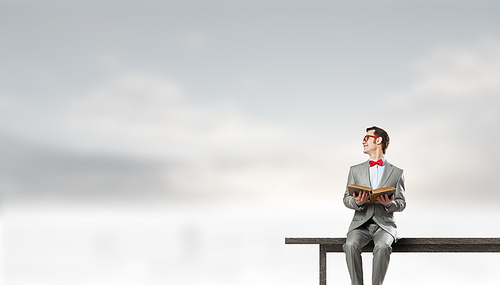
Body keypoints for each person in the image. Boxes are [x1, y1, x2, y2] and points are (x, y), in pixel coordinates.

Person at [343, 126, 406, 285]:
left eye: (367, 138)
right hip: (360, 224)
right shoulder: (355, 170)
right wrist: (357, 202)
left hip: (384, 225)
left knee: (383, 247)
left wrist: (389, 204)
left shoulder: (397, 172)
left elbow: (402, 203)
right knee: (350, 245)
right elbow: (346, 198)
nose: (363, 141)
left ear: (378, 141)